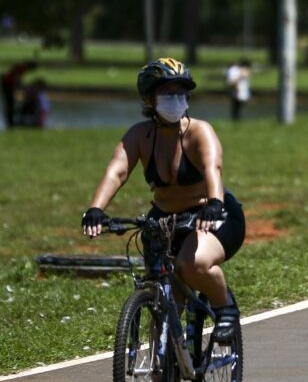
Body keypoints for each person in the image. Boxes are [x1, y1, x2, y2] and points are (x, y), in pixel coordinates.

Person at [82, 58, 246, 343]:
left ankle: (226, 308)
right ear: (149, 99)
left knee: (192, 265)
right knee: (163, 298)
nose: (176, 99)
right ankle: (161, 377)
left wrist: (214, 202)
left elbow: (212, 168)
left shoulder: (199, 131)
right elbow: (117, 170)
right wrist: (96, 208)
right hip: (165, 219)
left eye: (182, 93)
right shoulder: (140, 135)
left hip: (212, 215)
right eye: (168, 93)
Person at [0, 61, 36, 129]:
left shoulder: (21, 67)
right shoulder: (22, 68)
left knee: (11, 104)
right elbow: (16, 80)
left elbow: (17, 80)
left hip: (8, 85)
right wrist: (19, 88)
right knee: (10, 104)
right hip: (7, 85)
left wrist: (19, 88)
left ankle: (11, 122)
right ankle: (10, 123)